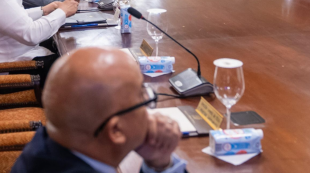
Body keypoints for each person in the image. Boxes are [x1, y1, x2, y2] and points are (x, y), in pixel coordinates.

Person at [11, 47, 185, 173]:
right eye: (142, 97)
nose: (150, 112)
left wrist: (159, 163)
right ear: (116, 130)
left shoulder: (47, 143)